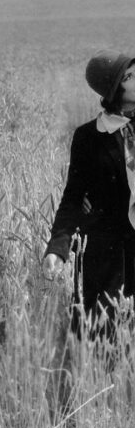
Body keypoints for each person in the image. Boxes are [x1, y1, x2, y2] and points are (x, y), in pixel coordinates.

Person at [44, 50, 135, 337]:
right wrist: (58, 247)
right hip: (105, 256)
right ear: (114, 91)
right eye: (129, 77)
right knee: (101, 337)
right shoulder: (89, 137)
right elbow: (73, 197)